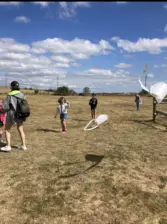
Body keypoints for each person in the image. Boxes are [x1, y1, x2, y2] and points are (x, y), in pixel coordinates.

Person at [0, 81, 27, 152]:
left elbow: (5, 107)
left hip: (11, 114)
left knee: (7, 129)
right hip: (21, 114)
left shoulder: (10, 95)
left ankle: (8, 146)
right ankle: (23, 145)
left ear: (11, 87)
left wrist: (1, 111)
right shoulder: (22, 95)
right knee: (20, 129)